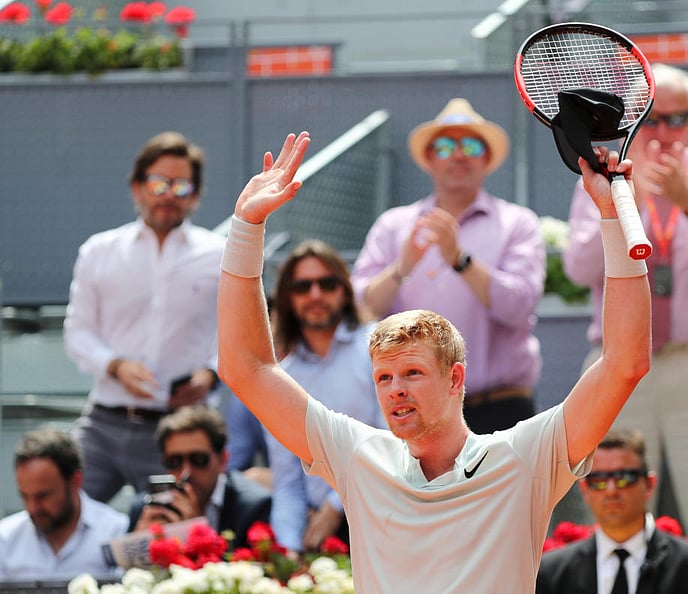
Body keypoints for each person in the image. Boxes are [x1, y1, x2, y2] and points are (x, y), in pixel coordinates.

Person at [217, 130, 650, 592]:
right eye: (383, 377)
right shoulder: (360, 456)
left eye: (412, 373)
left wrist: (611, 217)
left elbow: (624, 363)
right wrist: (246, 227)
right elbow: (248, 369)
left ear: (454, 378)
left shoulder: (523, 457)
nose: (395, 390)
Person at [563, 62, 688, 532]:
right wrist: (620, 201)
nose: (664, 132)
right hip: (619, 365)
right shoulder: (605, 176)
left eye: (678, 119)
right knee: (614, 514)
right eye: (652, 118)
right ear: (632, 119)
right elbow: (579, 269)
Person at [351, 98, 546, 434]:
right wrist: (402, 267)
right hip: (414, 406)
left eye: (470, 146)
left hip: (499, 407)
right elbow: (362, 309)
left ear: (486, 159)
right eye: (444, 147)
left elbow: (520, 306)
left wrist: (460, 259)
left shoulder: (517, 223)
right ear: (429, 159)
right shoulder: (393, 226)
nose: (458, 155)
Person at [64, 131, 225, 503]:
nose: (168, 194)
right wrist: (116, 366)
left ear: (195, 196)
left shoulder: (220, 255)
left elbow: (238, 333)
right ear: (137, 188)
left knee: (174, 528)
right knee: (66, 512)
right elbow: (77, 333)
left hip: (179, 430)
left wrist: (211, 374)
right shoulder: (99, 252)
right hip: (103, 422)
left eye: (181, 186)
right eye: (158, 183)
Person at [264, 239, 385, 552]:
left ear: (344, 290)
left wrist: (336, 505)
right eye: (302, 287)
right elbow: (287, 480)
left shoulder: (377, 346)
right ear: (288, 298)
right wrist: (289, 550)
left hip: (384, 515)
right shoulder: (282, 376)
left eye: (327, 284)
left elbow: (391, 443)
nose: (315, 294)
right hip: (318, 531)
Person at [536, 429, 688, 594]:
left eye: (623, 478)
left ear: (649, 484)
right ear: (585, 489)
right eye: (599, 480)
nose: (611, 490)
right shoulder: (551, 573)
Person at [129, 405, 272, 549]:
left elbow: (250, 562)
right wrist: (139, 543)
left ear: (223, 460)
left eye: (198, 459)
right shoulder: (145, 508)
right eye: (174, 462)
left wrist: (195, 531)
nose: (186, 472)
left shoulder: (252, 507)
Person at [0, 428, 128, 581]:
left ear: (75, 482)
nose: (32, 508)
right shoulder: (5, 538)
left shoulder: (116, 532)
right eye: (25, 496)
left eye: (43, 496)